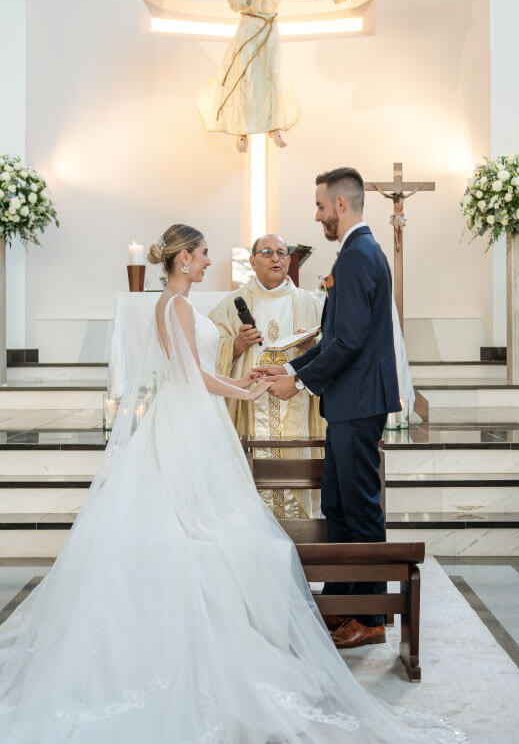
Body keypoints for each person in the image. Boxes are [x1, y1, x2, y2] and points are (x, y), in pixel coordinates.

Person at [0, 223, 453, 742]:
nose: (208, 260)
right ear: (184, 259)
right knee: (206, 530)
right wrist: (246, 392)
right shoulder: (177, 306)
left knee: (205, 525)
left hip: (188, 417)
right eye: (203, 254)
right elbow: (192, 375)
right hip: (189, 419)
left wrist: (244, 381)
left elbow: (194, 372)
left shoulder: (172, 304)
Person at [257, 168, 400, 650]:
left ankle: (371, 617)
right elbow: (334, 338)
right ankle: (342, 601)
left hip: (357, 403)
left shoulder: (359, 255)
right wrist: (289, 369)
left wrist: (297, 382)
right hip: (348, 402)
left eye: (321, 206)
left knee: (360, 509)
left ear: (341, 204)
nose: (317, 216)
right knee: (338, 505)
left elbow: (350, 341)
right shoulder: (356, 252)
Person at [197, 0, 367, 152]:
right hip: (248, 26)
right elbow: (234, 3)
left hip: (269, 28)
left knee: (272, 74)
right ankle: (241, 129)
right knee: (243, 75)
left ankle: (273, 126)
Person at [209, 234, 324, 518]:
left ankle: (301, 531)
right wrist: (237, 345)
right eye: (267, 252)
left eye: (281, 253)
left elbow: (333, 351)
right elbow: (205, 352)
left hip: (296, 399)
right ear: (252, 261)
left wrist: (311, 347)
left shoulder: (310, 303)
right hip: (250, 405)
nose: (276, 258)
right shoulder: (231, 305)